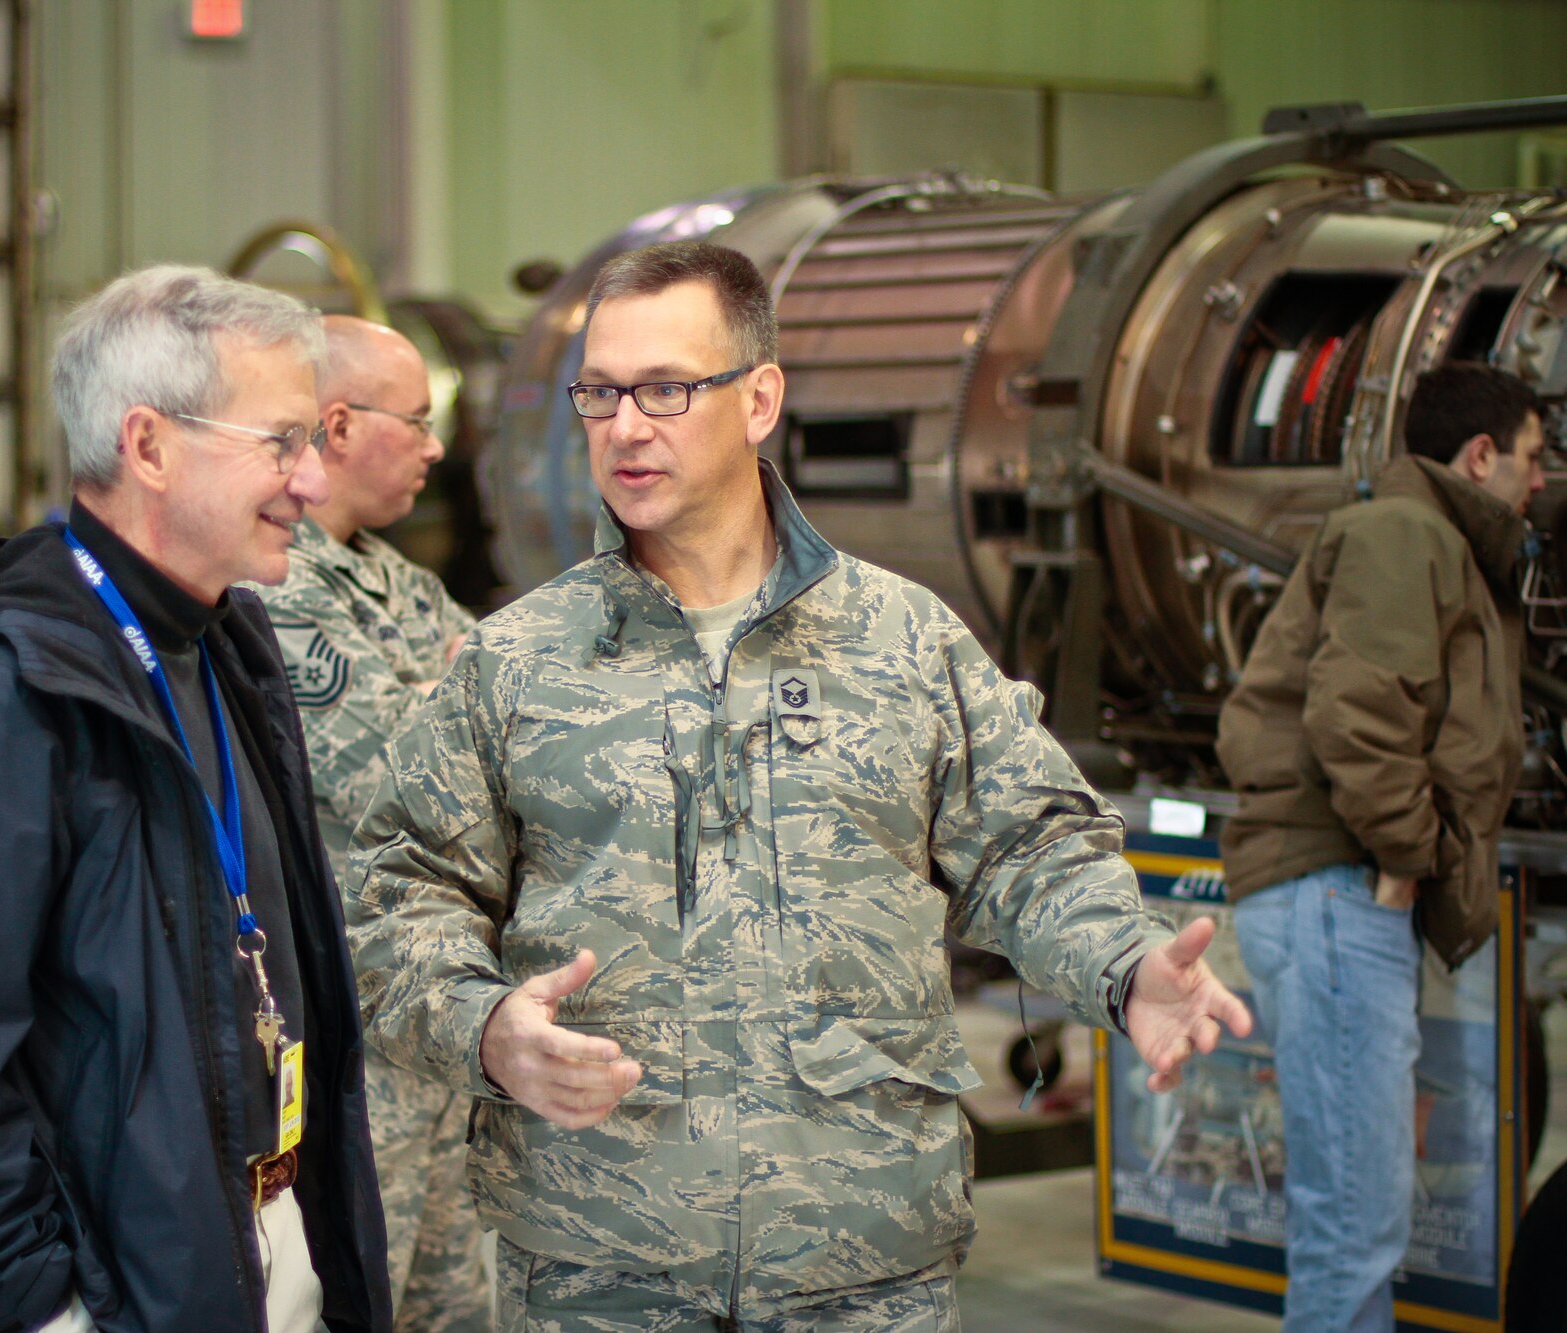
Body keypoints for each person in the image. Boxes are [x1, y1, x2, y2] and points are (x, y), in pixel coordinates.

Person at [342, 240, 1251, 1330]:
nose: (625, 425)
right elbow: (400, 893)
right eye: (600, 393)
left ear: (759, 397)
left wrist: (1122, 961)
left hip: (859, 1261)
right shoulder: (517, 662)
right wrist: (482, 1027)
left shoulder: (901, 641)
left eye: (666, 388)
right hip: (595, 1268)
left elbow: (1028, 846)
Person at [0, 265, 391, 1333]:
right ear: (147, 445)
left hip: (250, 1249)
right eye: (280, 441)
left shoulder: (223, 641)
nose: (313, 481)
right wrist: (25, 1307)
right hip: (103, 1289)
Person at [1218, 361, 1544, 1332]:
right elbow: (1356, 718)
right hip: (1341, 891)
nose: (1538, 482)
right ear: (1478, 454)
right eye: (1529, 459)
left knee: (1355, 1218)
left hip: (1340, 896)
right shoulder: (1406, 534)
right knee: (1353, 1227)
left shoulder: (1427, 538)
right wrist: (1405, 863)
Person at [256, 315, 488, 1331]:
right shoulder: (277, 586)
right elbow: (406, 777)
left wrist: (451, 703)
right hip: (355, 1030)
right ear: (339, 426)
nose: (436, 447)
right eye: (417, 421)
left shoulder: (392, 577)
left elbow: (519, 713)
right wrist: (453, 709)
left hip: (440, 1013)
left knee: (446, 1300)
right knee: (356, 1296)